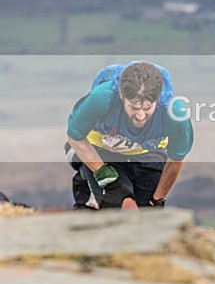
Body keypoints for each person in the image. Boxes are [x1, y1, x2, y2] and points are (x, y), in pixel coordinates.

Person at [66, 61, 194, 210]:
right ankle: (82, 165)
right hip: (104, 149)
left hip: (148, 152)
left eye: (147, 108)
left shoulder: (175, 112)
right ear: (121, 95)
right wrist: (102, 172)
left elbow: (176, 159)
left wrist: (158, 200)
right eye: (133, 107)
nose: (140, 116)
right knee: (121, 206)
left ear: (158, 99)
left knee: (146, 212)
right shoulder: (102, 97)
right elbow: (75, 136)